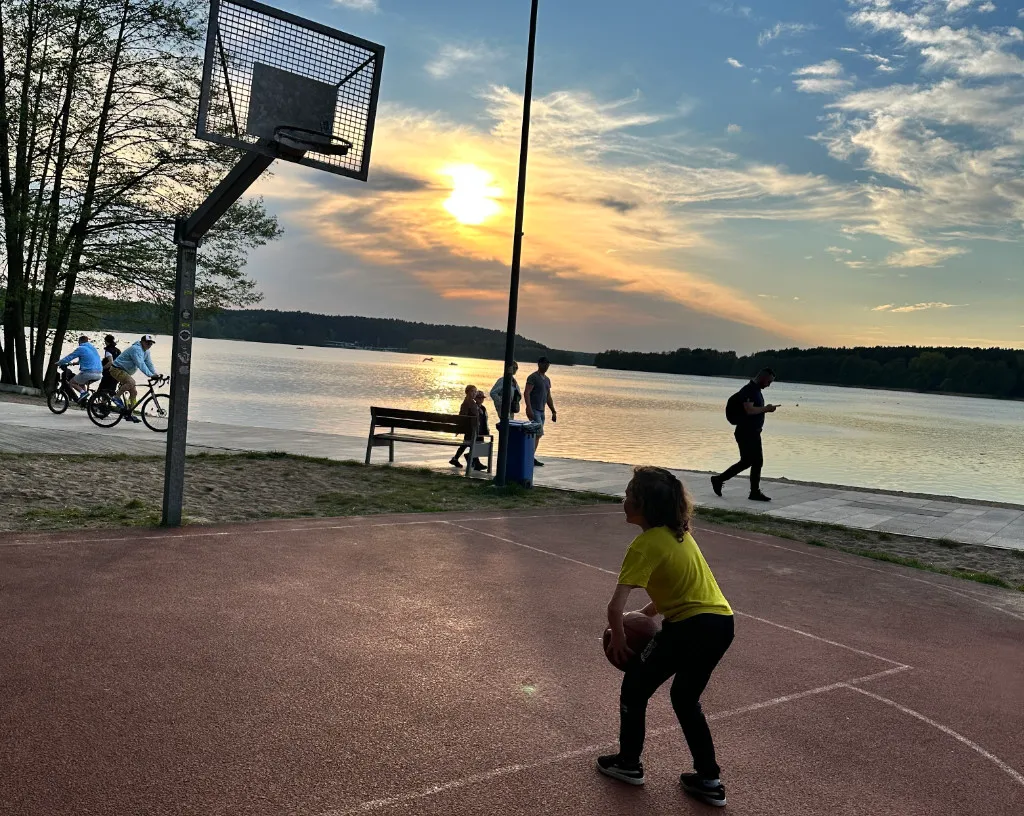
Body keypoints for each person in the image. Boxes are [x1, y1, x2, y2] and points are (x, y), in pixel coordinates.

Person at [597, 466, 734, 808]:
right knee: (686, 700)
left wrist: (617, 638)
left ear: (643, 504)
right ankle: (709, 779)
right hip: (721, 624)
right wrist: (645, 616)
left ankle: (629, 764)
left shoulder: (645, 544)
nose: (624, 500)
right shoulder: (679, 535)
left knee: (634, 688)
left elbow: (615, 608)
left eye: (629, 495)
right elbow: (676, 590)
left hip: (690, 627)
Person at [712, 368, 778, 502]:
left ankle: (722, 480)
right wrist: (767, 409)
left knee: (751, 461)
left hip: (753, 432)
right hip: (746, 432)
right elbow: (749, 409)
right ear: (762, 378)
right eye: (769, 382)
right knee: (753, 461)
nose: (769, 385)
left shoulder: (756, 391)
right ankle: (751, 491)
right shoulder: (749, 390)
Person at [108, 334, 162, 424]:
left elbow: (149, 364)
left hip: (125, 371)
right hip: (116, 369)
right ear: (142, 342)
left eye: (151, 343)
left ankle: (129, 413)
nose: (150, 345)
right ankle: (116, 397)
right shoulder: (136, 349)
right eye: (148, 343)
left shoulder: (146, 351)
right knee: (131, 382)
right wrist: (150, 375)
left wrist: (155, 374)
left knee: (134, 392)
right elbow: (140, 364)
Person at [524, 356, 557, 467]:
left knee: (537, 435)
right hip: (534, 410)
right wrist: (528, 407)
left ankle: (530, 456)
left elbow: (548, 396)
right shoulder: (533, 377)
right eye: (544, 364)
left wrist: (553, 411)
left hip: (542, 411)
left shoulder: (547, 380)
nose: (546, 366)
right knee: (538, 433)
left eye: (548, 364)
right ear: (539, 364)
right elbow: (527, 393)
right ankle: (529, 457)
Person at [56, 335, 103, 404]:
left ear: (80, 341)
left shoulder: (81, 348)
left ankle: (83, 393)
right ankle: (84, 400)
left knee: (72, 382)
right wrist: (75, 363)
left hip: (89, 373)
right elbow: (88, 359)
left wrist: (59, 363)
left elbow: (70, 357)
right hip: (99, 374)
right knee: (81, 383)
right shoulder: (92, 348)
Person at [449, 385, 481, 469]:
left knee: (466, 444)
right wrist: (459, 428)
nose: (475, 393)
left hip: (471, 428)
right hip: (470, 428)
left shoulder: (470, 402)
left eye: (475, 391)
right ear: (468, 392)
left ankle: (456, 459)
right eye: (473, 391)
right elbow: (463, 416)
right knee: (471, 443)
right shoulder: (468, 403)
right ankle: (473, 462)